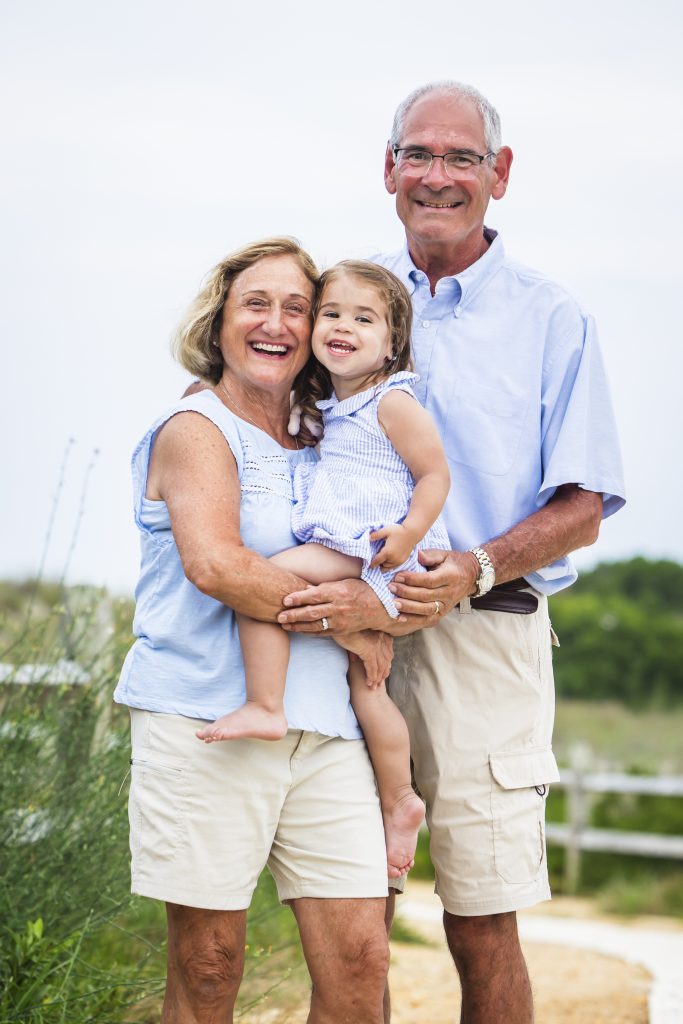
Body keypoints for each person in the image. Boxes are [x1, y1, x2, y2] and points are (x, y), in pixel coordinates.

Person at [277, 82, 626, 1024]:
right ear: (387, 168)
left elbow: (585, 504)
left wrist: (472, 567)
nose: (436, 176)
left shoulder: (551, 318)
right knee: (351, 921)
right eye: (417, 155)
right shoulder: (341, 300)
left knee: (479, 922)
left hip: (484, 630)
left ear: (498, 175)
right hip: (345, 628)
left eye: (460, 158)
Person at [114, 237, 394, 1024]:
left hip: (327, 728)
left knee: (361, 959)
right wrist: (348, 623)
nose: (275, 323)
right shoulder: (193, 428)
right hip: (206, 719)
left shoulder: (328, 432)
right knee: (208, 967)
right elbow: (219, 566)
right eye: (255, 304)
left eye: (297, 308)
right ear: (220, 320)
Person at [197, 260, 451, 878]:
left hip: (369, 545)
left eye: (364, 319)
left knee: (260, 582)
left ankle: (264, 702)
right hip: (360, 548)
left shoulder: (391, 401)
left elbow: (436, 473)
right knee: (367, 690)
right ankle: (400, 799)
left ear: (393, 343)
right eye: (331, 314)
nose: (342, 327)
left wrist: (411, 533)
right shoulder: (333, 405)